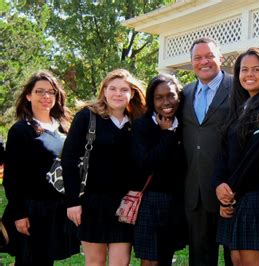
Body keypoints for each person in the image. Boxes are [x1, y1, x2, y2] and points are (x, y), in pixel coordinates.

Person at [62, 69, 146, 266]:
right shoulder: (87, 117)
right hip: (92, 202)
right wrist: (72, 201)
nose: (118, 93)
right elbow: (69, 158)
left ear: (132, 93)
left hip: (125, 204)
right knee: (95, 262)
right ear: (104, 91)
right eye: (112, 88)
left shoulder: (137, 122)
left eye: (124, 89)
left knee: (120, 262)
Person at [3, 70, 79, 265]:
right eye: (39, 91)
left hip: (57, 209)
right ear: (29, 95)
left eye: (51, 92)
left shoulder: (65, 128)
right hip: (31, 209)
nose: (46, 96)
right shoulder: (21, 130)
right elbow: (12, 177)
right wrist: (20, 214)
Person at [213, 47, 259, 265]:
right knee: (236, 259)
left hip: (254, 197)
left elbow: (255, 156)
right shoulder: (239, 108)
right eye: (244, 70)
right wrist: (219, 185)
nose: (249, 74)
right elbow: (224, 153)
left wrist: (230, 190)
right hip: (236, 196)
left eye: (256, 70)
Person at [181, 37, 233, 266]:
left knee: (236, 257)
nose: (204, 62)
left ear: (220, 58)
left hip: (230, 188)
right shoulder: (184, 93)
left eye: (209, 56)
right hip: (196, 190)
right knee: (200, 258)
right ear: (191, 62)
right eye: (198, 57)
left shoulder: (237, 87)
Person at [131, 74, 186, 266]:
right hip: (150, 200)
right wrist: (167, 135)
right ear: (151, 100)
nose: (166, 102)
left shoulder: (186, 124)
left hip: (177, 201)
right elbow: (146, 163)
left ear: (179, 96)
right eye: (159, 97)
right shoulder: (142, 126)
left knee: (166, 256)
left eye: (170, 95)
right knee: (150, 260)